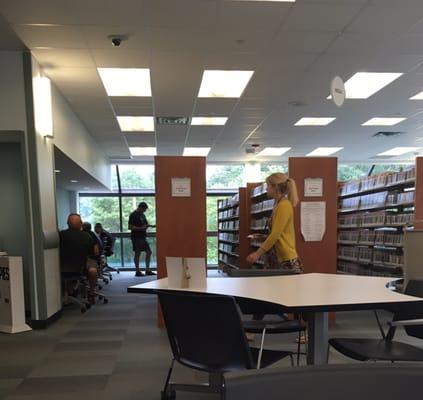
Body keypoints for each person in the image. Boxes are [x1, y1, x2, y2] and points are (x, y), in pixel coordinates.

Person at [246, 173, 303, 273]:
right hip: (276, 257)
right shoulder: (278, 205)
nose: (266, 189)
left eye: (268, 186)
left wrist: (257, 253)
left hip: (285, 259)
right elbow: (279, 233)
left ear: (275, 187)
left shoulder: (284, 206)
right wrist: (262, 237)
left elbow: (276, 234)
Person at [59, 214, 98, 303]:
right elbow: (94, 253)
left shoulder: (60, 235)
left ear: (67, 223)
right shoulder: (87, 236)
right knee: (93, 271)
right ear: (81, 224)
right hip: (81, 267)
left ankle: (70, 291)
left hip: (63, 267)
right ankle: (91, 293)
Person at [128, 202, 155, 276]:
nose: (144, 211)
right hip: (136, 237)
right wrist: (141, 228)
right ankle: (137, 271)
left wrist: (150, 226)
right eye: (144, 209)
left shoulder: (142, 215)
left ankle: (147, 270)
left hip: (143, 237)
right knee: (137, 253)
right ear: (140, 207)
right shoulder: (133, 215)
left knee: (149, 252)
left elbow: (145, 224)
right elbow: (130, 227)